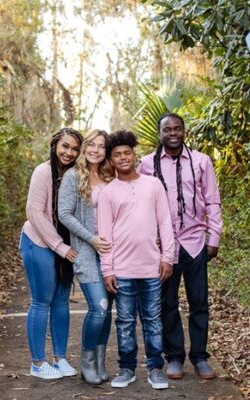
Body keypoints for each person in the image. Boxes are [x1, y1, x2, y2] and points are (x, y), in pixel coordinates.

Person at [138, 113, 222, 380]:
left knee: (199, 302)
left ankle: (199, 357)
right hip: (163, 246)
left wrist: (214, 237)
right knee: (167, 303)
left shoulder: (201, 161)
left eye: (177, 128)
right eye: (167, 129)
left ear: (184, 131)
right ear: (159, 133)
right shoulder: (146, 164)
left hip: (195, 241)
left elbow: (212, 201)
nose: (172, 133)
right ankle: (174, 357)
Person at [97, 130, 175, 390]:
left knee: (153, 319)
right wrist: (107, 269)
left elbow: (165, 223)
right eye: (117, 154)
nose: (122, 158)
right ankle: (127, 368)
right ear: (111, 159)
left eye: (126, 153)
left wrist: (168, 257)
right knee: (125, 321)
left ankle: (155, 368)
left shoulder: (153, 185)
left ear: (134, 155)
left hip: (151, 267)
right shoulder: (108, 192)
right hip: (122, 269)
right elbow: (104, 234)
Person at [18, 127, 84, 380]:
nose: (69, 152)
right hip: (39, 244)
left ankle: (60, 358)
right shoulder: (43, 171)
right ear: (55, 144)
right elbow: (34, 212)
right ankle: (37, 363)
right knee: (41, 301)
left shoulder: (74, 174)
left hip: (64, 247)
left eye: (75, 148)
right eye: (65, 146)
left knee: (61, 302)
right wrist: (60, 247)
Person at [57, 129, 114, 384]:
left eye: (101, 146)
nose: (95, 150)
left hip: (112, 253)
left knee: (108, 310)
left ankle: (100, 361)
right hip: (86, 252)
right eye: (91, 144)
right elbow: (64, 214)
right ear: (84, 148)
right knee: (99, 307)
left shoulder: (109, 176)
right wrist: (91, 239)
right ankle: (87, 360)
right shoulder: (72, 176)